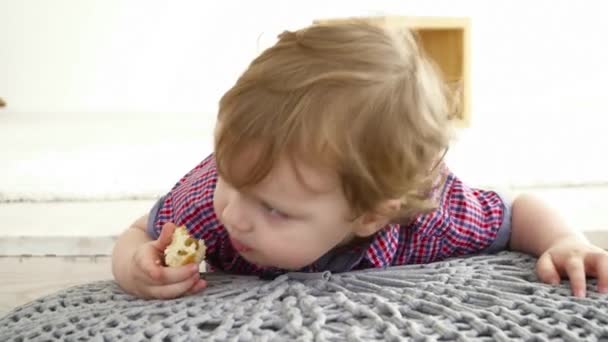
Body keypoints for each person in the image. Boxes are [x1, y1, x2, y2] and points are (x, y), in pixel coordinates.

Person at [112, 19, 608, 300]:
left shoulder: (428, 219)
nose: (234, 213)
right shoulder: (210, 207)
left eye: (275, 210)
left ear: (372, 215)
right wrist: (134, 264)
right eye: (231, 178)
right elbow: (140, 232)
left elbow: (518, 211)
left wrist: (565, 240)